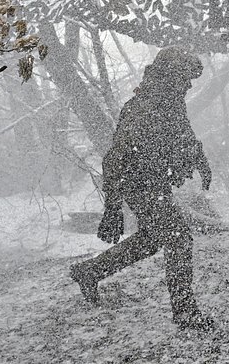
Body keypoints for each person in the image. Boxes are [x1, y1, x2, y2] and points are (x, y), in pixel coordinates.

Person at [70, 47, 213, 330]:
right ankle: (185, 312)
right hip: (139, 185)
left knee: (151, 239)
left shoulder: (169, 101)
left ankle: (89, 272)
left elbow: (183, 132)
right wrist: (112, 208)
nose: (188, 85)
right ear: (171, 76)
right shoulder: (142, 109)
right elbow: (114, 160)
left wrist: (200, 159)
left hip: (154, 182)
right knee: (178, 238)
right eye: (186, 78)